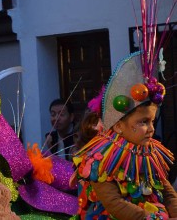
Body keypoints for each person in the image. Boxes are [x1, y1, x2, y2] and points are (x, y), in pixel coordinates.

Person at [73, 52, 177, 219]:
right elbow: (114, 203)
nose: (151, 129)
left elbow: (167, 192)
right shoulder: (100, 159)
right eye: (143, 122)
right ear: (119, 126)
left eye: (152, 121)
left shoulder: (150, 153)